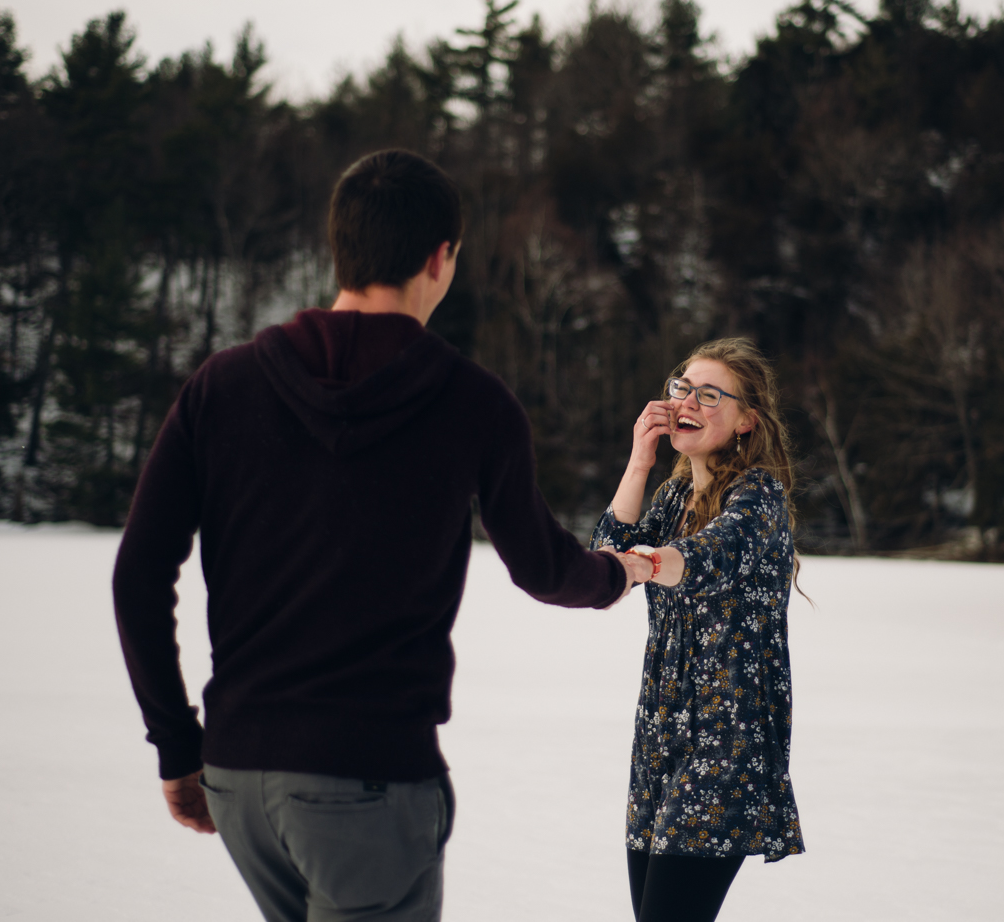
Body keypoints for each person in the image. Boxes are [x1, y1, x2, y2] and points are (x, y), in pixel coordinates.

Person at [111, 148, 649, 922]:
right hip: (368, 784)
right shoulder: (472, 403)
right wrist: (617, 574)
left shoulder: (222, 386)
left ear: (342, 249)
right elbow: (540, 567)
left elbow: (138, 574)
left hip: (238, 775)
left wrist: (177, 745)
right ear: (440, 257)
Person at [593, 338, 806, 922]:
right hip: (660, 737)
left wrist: (643, 565)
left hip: (727, 746)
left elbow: (704, 557)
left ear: (746, 421)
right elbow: (604, 557)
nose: (687, 400)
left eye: (710, 394)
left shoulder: (758, 498)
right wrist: (640, 459)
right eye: (682, 388)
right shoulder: (673, 494)